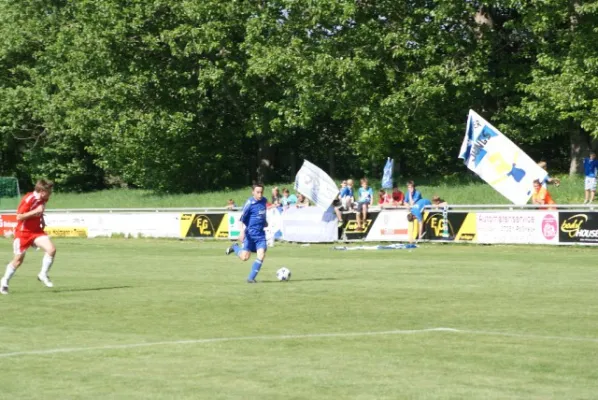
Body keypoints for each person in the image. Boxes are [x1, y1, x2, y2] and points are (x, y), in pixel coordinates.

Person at [1, 179, 56, 295]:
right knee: (18, 261)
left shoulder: (44, 198)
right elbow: (19, 217)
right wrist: (35, 211)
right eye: (49, 191)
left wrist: (42, 219)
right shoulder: (28, 199)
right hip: (23, 233)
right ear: (42, 191)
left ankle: (43, 274)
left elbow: (40, 211)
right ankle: (4, 282)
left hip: (36, 231)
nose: (50, 193)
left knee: (51, 249)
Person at [225, 183, 269, 283]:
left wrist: (264, 221)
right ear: (253, 192)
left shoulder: (264, 201)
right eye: (258, 192)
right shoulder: (249, 203)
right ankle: (235, 247)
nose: (260, 194)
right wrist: (241, 232)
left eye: (261, 192)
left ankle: (251, 278)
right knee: (245, 257)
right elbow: (241, 219)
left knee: (261, 255)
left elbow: (262, 213)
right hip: (249, 235)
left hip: (260, 235)